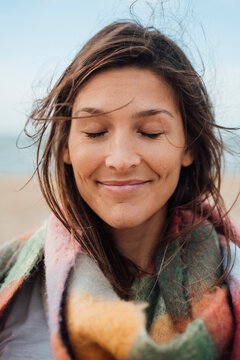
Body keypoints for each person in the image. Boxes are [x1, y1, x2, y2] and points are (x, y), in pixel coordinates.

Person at [0, 21, 239, 360]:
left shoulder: (232, 279)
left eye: (151, 132)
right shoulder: (14, 286)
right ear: (66, 146)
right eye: (96, 132)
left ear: (189, 146)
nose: (121, 160)